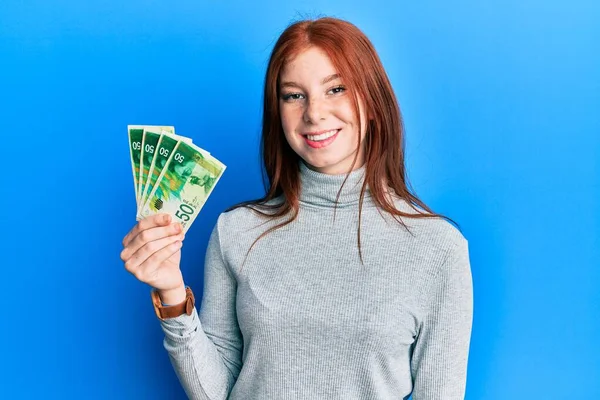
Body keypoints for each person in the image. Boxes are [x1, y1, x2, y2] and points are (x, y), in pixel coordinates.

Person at [120, 16, 473, 400]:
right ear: (278, 112)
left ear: (372, 102)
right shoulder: (236, 232)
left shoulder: (438, 248)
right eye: (294, 95)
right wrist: (172, 293)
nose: (314, 113)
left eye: (336, 89)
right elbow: (215, 394)